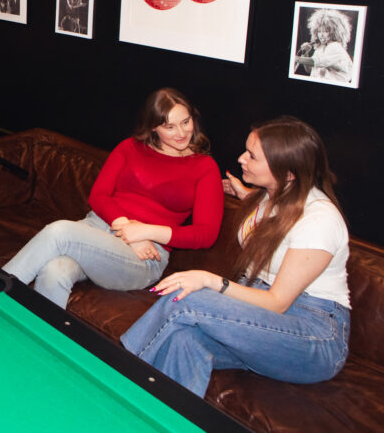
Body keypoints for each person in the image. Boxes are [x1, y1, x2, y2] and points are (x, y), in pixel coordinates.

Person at [121, 117, 350, 398]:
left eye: (252, 156)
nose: (242, 159)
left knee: (188, 299)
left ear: (288, 172)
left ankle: (118, 375)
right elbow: (277, 224)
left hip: (311, 336)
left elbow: (277, 303)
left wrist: (210, 280)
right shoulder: (274, 195)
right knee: (183, 338)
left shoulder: (320, 220)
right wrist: (248, 196)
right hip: (262, 318)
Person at [3, 88, 223, 309]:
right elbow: (98, 195)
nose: (181, 133)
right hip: (98, 227)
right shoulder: (130, 147)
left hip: (146, 253)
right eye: (170, 127)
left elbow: (206, 234)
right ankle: (42, 336)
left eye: (186, 122)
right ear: (153, 127)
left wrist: (144, 232)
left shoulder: (204, 167)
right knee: (55, 271)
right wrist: (127, 229)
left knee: (60, 232)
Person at [294, 8, 354, 83]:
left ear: (334, 32)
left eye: (326, 31)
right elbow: (309, 70)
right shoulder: (321, 48)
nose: (321, 35)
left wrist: (295, 59)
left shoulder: (335, 47)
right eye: (319, 31)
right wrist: (305, 53)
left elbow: (315, 62)